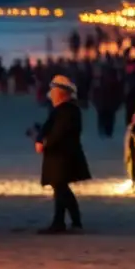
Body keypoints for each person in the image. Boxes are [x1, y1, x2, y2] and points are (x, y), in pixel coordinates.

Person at [35, 75, 91, 234]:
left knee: (60, 188)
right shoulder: (63, 110)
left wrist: (45, 143)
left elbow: (59, 132)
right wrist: (41, 139)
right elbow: (49, 128)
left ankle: (60, 223)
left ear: (61, 93)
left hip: (63, 156)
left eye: (53, 91)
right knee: (61, 188)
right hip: (61, 155)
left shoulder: (68, 111)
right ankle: (72, 221)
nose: (51, 94)